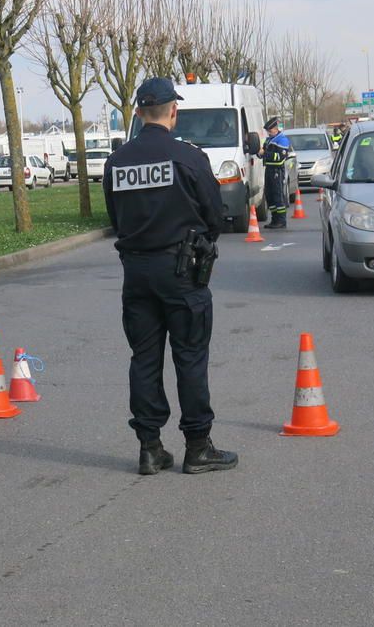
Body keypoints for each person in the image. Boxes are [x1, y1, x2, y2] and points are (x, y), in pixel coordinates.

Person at [102, 77, 237, 477]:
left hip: (137, 272)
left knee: (143, 358)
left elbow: (114, 218)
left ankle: (150, 448)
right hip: (181, 271)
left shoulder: (116, 162)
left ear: (139, 113)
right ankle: (198, 447)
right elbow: (215, 215)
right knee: (190, 357)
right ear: (173, 112)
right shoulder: (189, 158)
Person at [257, 117, 292, 229]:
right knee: (269, 195)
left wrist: (265, 153)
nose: (268, 132)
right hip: (269, 170)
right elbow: (261, 153)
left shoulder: (282, 140)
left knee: (278, 195)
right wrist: (258, 152)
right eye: (268, 130)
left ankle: (281, 220)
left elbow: (280, 157)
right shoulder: (268, 140)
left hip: (277, 170)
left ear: (275, 128)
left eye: (270, 130)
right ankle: (274, 219)